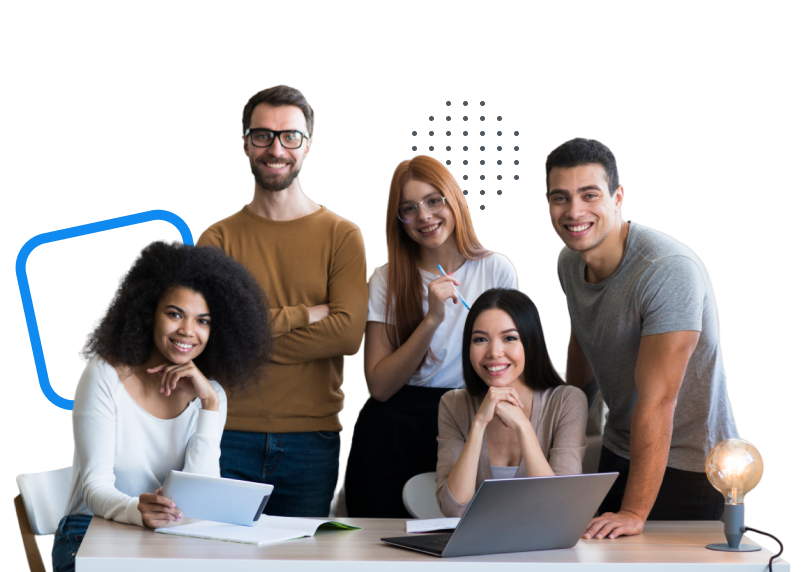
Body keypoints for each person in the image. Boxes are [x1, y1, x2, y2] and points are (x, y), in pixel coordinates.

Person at [544, 137, 740, 539]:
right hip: (620, 447)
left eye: (589, 194)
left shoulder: (666, 269)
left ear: (618, 197)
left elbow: (659, 400)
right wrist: (566, 395)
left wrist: (634, 511)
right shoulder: (569, 260)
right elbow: (582, 327)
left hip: (688, 462)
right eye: (560, 198)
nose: (574, 211)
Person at [195, 84, 367, 517]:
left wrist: (245, 338)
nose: (276, 148)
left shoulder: (342, 235)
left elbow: (347, 335)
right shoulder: (217, 238)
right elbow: (211, 339)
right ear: (245, 143)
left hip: (312, 440)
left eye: (290, 136)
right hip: (226, 431)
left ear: (307, 145)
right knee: (219, 560)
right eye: (263, 135)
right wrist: (307, 315)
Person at [52, 239, 273, 572]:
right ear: (149, 313)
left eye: (203, 321)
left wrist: (210, 404)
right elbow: (94, 488)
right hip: (90, 533)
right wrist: (137, 511)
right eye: (175, 314)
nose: (188, 331)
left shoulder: (210, 395)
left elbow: (200, 499)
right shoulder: (104, 375)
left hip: (168, 541)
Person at [345, 154, 519, 517]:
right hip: (393, 430)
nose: (424, 215)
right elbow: (379, 386)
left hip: (467, 417)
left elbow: (513, 361)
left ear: (453, 199)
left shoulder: (496, 268)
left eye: (433, 200)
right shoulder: (384, 279)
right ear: (399, 220)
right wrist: (432, 320)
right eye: (409, 208)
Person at [436, 288, 588, 517]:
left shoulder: (566, 401)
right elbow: (453, 509)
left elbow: (559, 509)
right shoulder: (453, 404)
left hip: (545, 549)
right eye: (480, 339)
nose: (494, 352)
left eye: (509, 338)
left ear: (530, 342)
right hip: (477, 550)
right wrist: (478, 424)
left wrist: (523, 427)